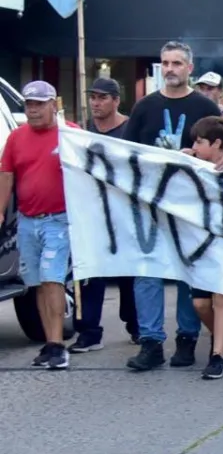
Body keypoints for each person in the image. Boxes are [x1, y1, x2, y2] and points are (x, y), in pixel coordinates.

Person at [124, 41, 223, 372]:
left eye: (177, 63)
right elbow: (125, 152)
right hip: (151, 204)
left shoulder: (203, 106)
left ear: (189, 68)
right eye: (165, 63)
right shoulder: (144, 107)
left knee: (187, 272)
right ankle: (150, 342)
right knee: (148, 272)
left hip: (190, 205)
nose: (170, 69)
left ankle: (187, 339)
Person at [0, 81, 78, 369]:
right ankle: (50, 342)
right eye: (29, 104)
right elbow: (6, 175)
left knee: (52, 279)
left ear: (52, 104)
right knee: (36, 285)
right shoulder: (16, 138)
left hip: (58, 220)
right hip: (26, 221)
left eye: (39, 104)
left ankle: (58, 346)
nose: (32, 110)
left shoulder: (70, 135)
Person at [74, 77, 138, 352]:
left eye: (102, 97)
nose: (96, 103)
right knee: (92, 272)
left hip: (125, 213)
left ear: (115, 100)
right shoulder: (81, 134)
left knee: (130, 273)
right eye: (93, 97)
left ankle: (136, 325)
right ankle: (89, 331)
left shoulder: (130, 129)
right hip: (93, 213)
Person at [183, 116, 223, 380]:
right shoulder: (190, 166)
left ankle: (218, 355)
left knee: (221, 298)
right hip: (200, 246)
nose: (195, 146)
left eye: (199, 141)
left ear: (217, 143)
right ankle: (222, 333)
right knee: (200, 303)